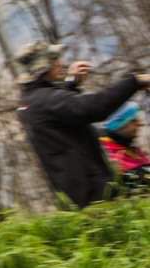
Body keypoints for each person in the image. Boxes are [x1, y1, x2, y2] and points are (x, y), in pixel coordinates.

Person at [16, 41, 150, 208]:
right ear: (42, 67)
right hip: (94, 195)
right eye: (54, 59)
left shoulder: (31, 101)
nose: (60, 63)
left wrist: (71, 84)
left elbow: (65, 120)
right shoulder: (45, 100)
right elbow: (94, 108)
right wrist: (134, 82)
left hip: (82, 193)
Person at [100, 102, 150, 190]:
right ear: (120, 125)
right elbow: (138, 179)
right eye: (133, 120)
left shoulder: (127, 145)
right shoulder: (110, 153)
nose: (139, 124)